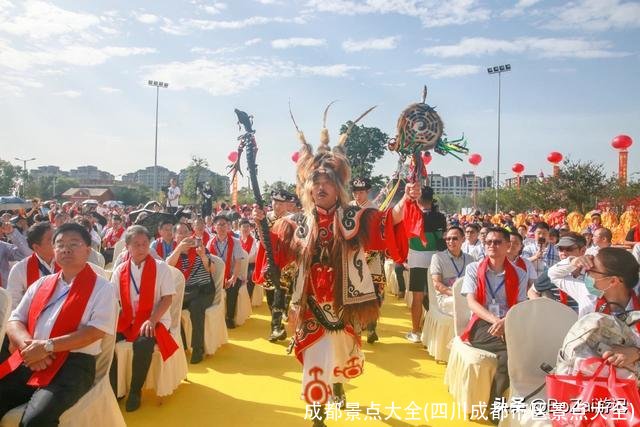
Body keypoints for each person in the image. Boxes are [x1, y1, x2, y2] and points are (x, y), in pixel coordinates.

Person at [252, 122, 415, 426]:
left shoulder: (355, 216)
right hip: (310, 301)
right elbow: (275, 253)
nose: (321, 187)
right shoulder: (295, 221)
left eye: (327, 182)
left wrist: (408, 196)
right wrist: (262, 224)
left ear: (338, 189)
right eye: (316, 182)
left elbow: (388, 220)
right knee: (315, 357)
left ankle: (337, 383)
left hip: (345, 302)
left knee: (339, 351)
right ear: (308, 189)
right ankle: (317, 416)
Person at [0, 223, 117, 425]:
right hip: (31, 356)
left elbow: (96, 331)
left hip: (74, 365)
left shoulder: (103, 288)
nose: (66, 249)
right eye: (60, 244)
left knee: (36, 420)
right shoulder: (41, 284)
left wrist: (46, 346)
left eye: (74, 243)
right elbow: (14, 320)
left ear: (88, 250)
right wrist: (29, 346)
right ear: (54, 251)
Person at [460, 227, 528, 421]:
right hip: (482, 324)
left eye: (497, 242)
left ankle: (519, 402)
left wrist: (506, 322)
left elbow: (521, 305)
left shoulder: (519, 274)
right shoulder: (473, 269)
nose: (492, 245)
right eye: (488, 242)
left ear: (508, 246)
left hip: (509, 322)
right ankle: (497, 408)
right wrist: (497, 321)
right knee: (511, 352)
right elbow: (472, 303)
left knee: (522, 348)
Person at [109, 226, 176, 411]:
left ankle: (135, 390)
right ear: (127, 247)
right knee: (106, 338)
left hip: (155, 318)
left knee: (143, 342)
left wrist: (152, 320)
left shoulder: (161, 267)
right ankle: (115, 388)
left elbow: (167, 297)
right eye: (136, 244)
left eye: (145, 244)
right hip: (129, 318)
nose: (141, 248)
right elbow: (113, 300)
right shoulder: (120, 270)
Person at [166, 223, 216, 363]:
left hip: (204, 290)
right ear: (175, 237)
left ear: (190, 234)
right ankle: (181, 344)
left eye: (186, 232)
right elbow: (167, 267)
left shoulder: (200, 249)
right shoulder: (174, 253)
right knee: (170, 307)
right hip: (186, 292)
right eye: (179, 233)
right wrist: (178, 249)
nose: (183, 235)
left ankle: (198, 348)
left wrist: (203, 256)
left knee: (195, 306)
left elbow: (212, 270)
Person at [253, 189, 297, 342]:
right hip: (269, 259)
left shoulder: (291, 219)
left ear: (287, 204)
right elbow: (263, 241)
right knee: (270, 294)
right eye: (275, 202)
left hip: (286, 260)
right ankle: (276, 326)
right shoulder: (267, 217)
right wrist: (258, 223)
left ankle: (276, 327)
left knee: (280, 290)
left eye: (280, 203)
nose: (277, 206)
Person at [405, 185, 446, 343]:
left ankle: (416, 331)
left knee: (417, 297)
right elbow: (442, 240)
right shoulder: (440, 216)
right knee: (434, 296)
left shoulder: (413, 214)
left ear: (418, 199)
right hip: (437, 259)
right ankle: (433, 331)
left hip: (417, 259)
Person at [349, 177, 386, 344]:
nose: (358, 195)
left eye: (361, 192)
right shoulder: (348, 208)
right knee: (352, 292)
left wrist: (366, 256)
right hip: (351, 256)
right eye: (356, 192)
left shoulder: (373, 210)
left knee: (372, 293)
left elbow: (377, 238)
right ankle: (355, 325)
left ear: (367, 192)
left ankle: (371, 327)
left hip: (371, 257)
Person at [528, 232, 585, 313]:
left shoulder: (594, 275)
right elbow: (531, 291)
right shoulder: (553, 273)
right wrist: (544, 310)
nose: (563, 253)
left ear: (583, 251)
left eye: (569, 249)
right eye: (561, 249)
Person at [7, 222, 59, 310]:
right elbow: (13, 306)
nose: (58, 242)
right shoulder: (20, 270)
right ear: (36, 247)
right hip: (34, 321)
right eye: (51, 240)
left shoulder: (69, 262)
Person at [206, 215, 245, 329]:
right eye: (219, 224)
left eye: (225, 224)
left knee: (232, 287)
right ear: (214, 227)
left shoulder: (235, 242)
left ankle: (229, 317)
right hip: (215, 276)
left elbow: (238, 262)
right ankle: (213, 318)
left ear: (228, 226)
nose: (222, 227)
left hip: (231, 274)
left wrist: (233, 277)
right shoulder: (210, 243)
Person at [429, 226, 474, 315]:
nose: (450, 242)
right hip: (446, 297)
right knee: (463, 305)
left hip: (466, 296)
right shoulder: (438, 258)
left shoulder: (470, 259)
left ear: (463, 239)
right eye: (448, 239)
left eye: (455, 238)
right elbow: (437, 284)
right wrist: (456, 294)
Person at [239, 219, 257, 298]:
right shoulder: (237, 240)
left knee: (251, 276)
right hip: (238, 264)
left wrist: (244, 261)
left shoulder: (254, 241)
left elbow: (253, 257)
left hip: (250, 265)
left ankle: (248, 298)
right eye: (244, 227)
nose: (246, 229)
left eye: (248, 227)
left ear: (250, 228)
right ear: (240, 228)